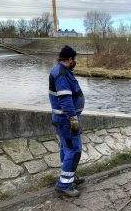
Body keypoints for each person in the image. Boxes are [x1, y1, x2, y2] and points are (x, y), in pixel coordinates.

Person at [48, 45, 85, 197]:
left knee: (66, 148)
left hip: (61, 119)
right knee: (74, 150)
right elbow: (65, 100)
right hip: (66, 120)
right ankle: (64, 185)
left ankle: (68, 176)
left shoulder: (60, 71)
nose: (74, 61)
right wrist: (73, 119)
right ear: (69, 59)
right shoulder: (62, 74)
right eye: (74, 59)